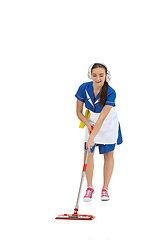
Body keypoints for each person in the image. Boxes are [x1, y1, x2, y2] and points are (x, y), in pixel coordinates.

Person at [75, 63, 123, 201]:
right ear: (90, 75)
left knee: (108, 154)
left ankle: (105, 189)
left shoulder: (111, 92)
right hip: (90, 121)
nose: (97, 78)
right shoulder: (83, 88)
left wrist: (92, 137)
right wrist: (87, 125)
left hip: (108, 122)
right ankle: (89, 188)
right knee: (88, 153)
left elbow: (102, 118)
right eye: (94, 75)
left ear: (106, 76)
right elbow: (78, 112)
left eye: (101, 75)